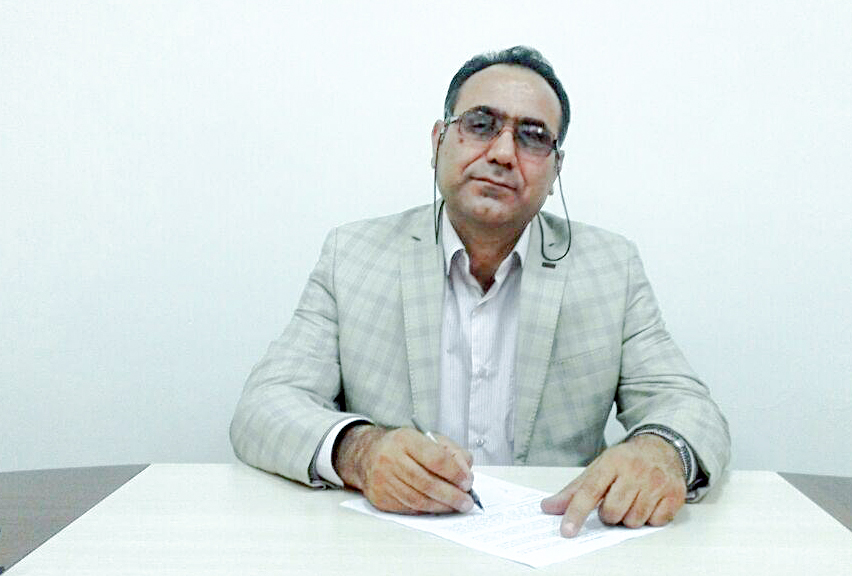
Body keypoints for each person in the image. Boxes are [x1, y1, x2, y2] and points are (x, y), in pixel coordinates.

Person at [230, 46, 730, 537]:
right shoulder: (353, 256)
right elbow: (264, 405)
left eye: (533, 137)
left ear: (556, 169)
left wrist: (661, 452)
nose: (503, 154)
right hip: (393, 544)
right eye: (480, 124)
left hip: (555, 541)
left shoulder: (610, 268)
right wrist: (358, 451)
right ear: (438, 142)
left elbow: (689, 407)